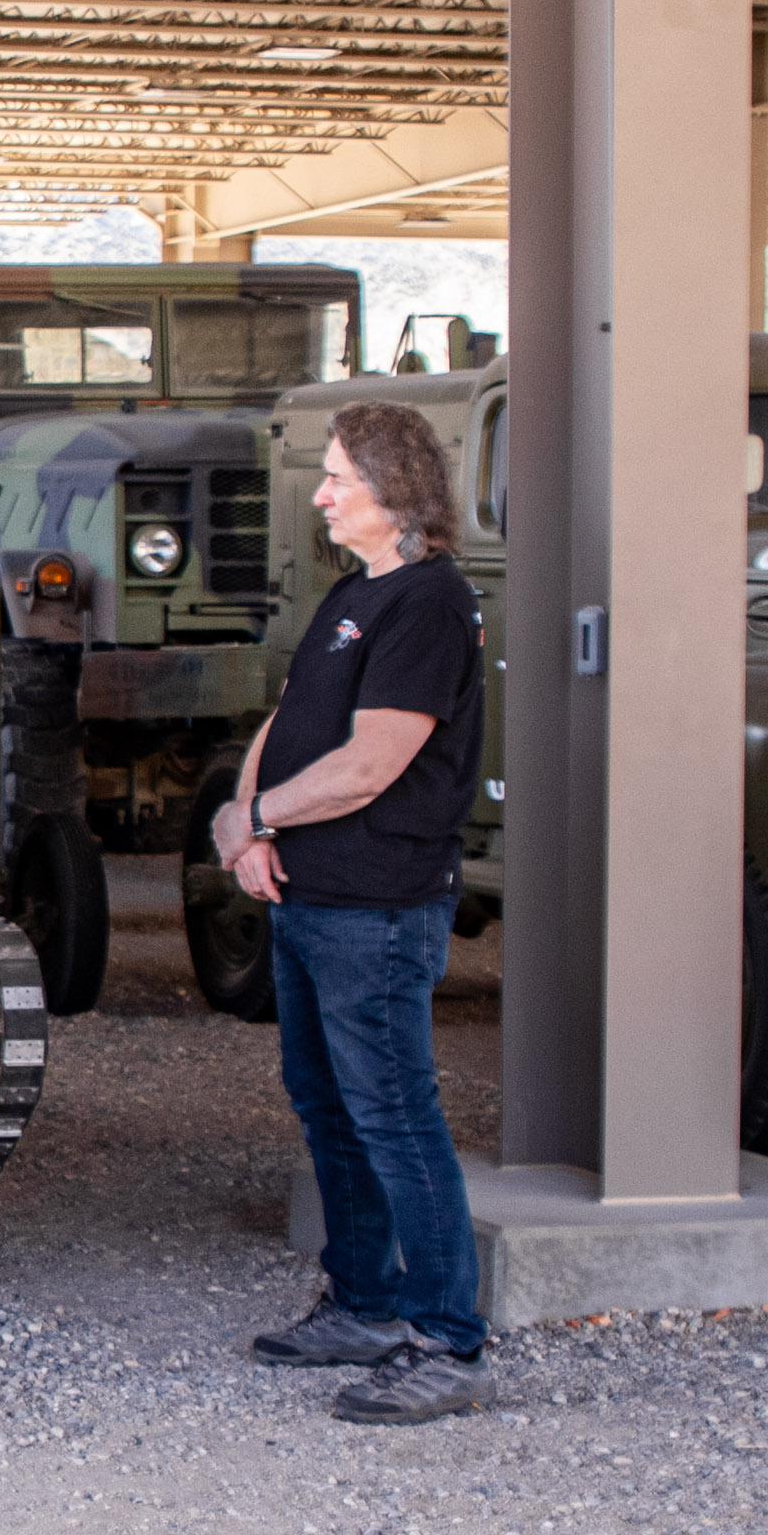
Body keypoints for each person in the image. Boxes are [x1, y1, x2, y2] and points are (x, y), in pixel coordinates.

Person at [212, 398, 492, 1423]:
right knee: (328, 1106)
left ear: (394, 493)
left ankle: (445, 1339)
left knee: (395, 1117)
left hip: (374, 907)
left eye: (337, 478)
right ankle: (366, 1301)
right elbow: (291, 722)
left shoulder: (425, 604)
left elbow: (371, 764)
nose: (321, 494)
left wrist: (255, 820)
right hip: (308, 894)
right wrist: (248, 820)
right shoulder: (356, 593)